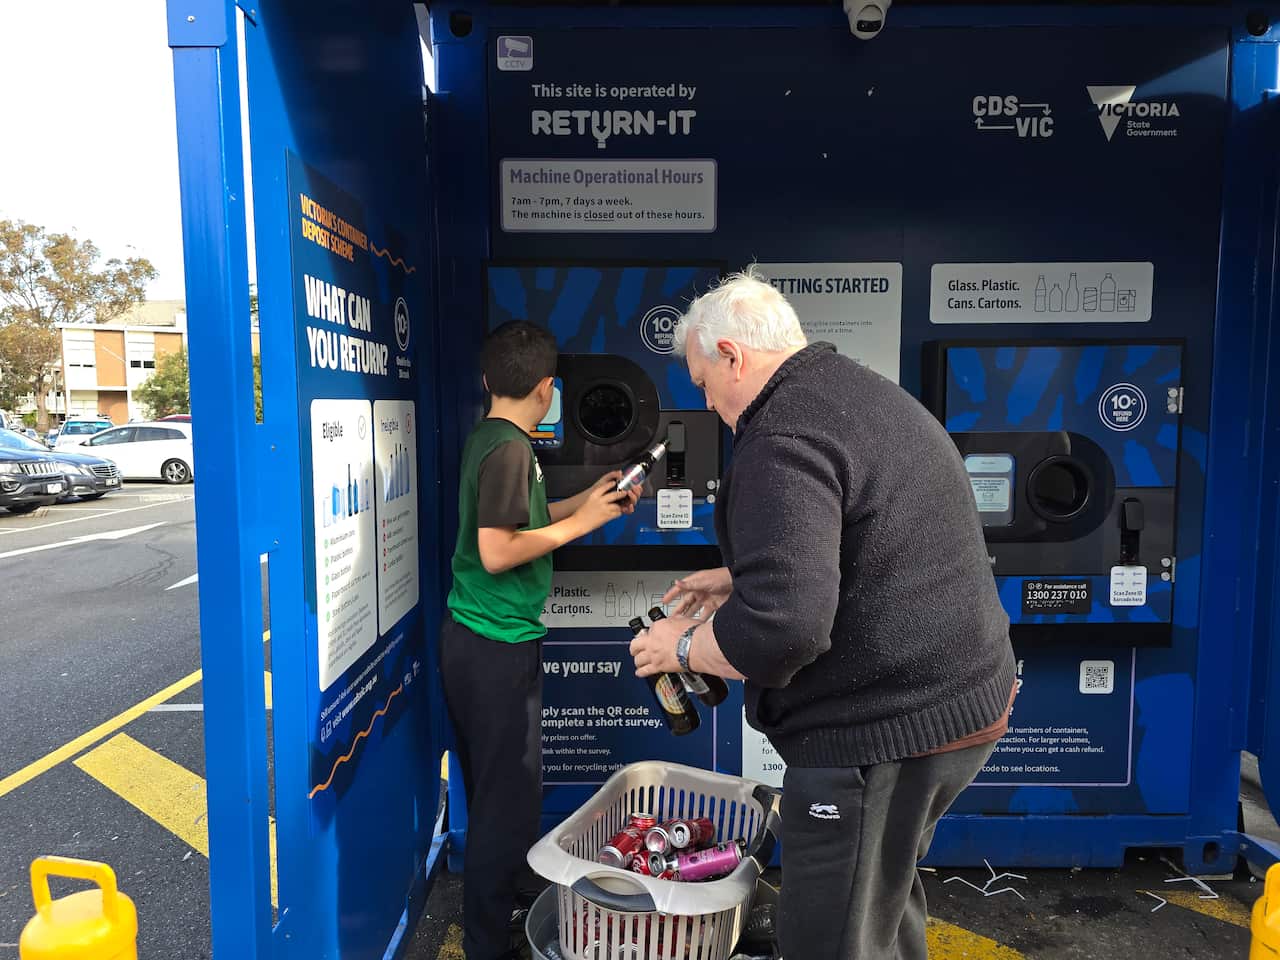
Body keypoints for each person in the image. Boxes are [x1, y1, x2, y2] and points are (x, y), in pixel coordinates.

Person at [628, 269, 1016, 960]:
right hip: (951, 702)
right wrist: (741, 576)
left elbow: (786, 629)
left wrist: (679, 648)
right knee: (876, 900)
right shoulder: (847, 393)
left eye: (701, 380)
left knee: (830, 937)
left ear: (731, 356)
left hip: (883, 729)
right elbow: (859, 536)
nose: (707, 398)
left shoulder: (780, 434)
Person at [442, 320, 640, 960]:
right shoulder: (506, 448)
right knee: (505, 804)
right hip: (492, 645)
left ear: (486, 380)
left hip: (484, 642)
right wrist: (582, 524)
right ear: (549, 389)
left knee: (507, 793)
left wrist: (586, 499)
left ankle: (509, 891)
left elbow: (519, 516)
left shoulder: (495, 438)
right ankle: (488, 943)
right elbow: (498, 550)